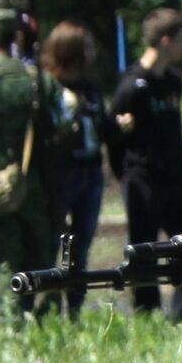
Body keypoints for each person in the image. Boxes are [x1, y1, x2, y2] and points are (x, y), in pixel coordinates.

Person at [111, 7, 182, 317]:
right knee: (144, 249)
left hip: (174, 176)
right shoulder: (132, 86)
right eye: (181, 39)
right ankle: (146, 312)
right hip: (142, 177)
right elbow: (113, 137)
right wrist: (125, 175)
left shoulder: (171, 82)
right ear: (166, 41)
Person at [0, 8, 58, 319]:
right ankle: (46, 324)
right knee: (40, 260)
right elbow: (60, 126)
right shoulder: (39, 81)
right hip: (34, 186)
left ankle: (9, 329)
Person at [41, 21, 114, 318]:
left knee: (81, 247)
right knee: (52, 243)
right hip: (61, 174)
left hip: (90, 173)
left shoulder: (90, 89)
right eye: (85, 45)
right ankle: (46, 307)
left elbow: (102, 129)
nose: (91, 52)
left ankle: (73, 310)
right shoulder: (49, 88)